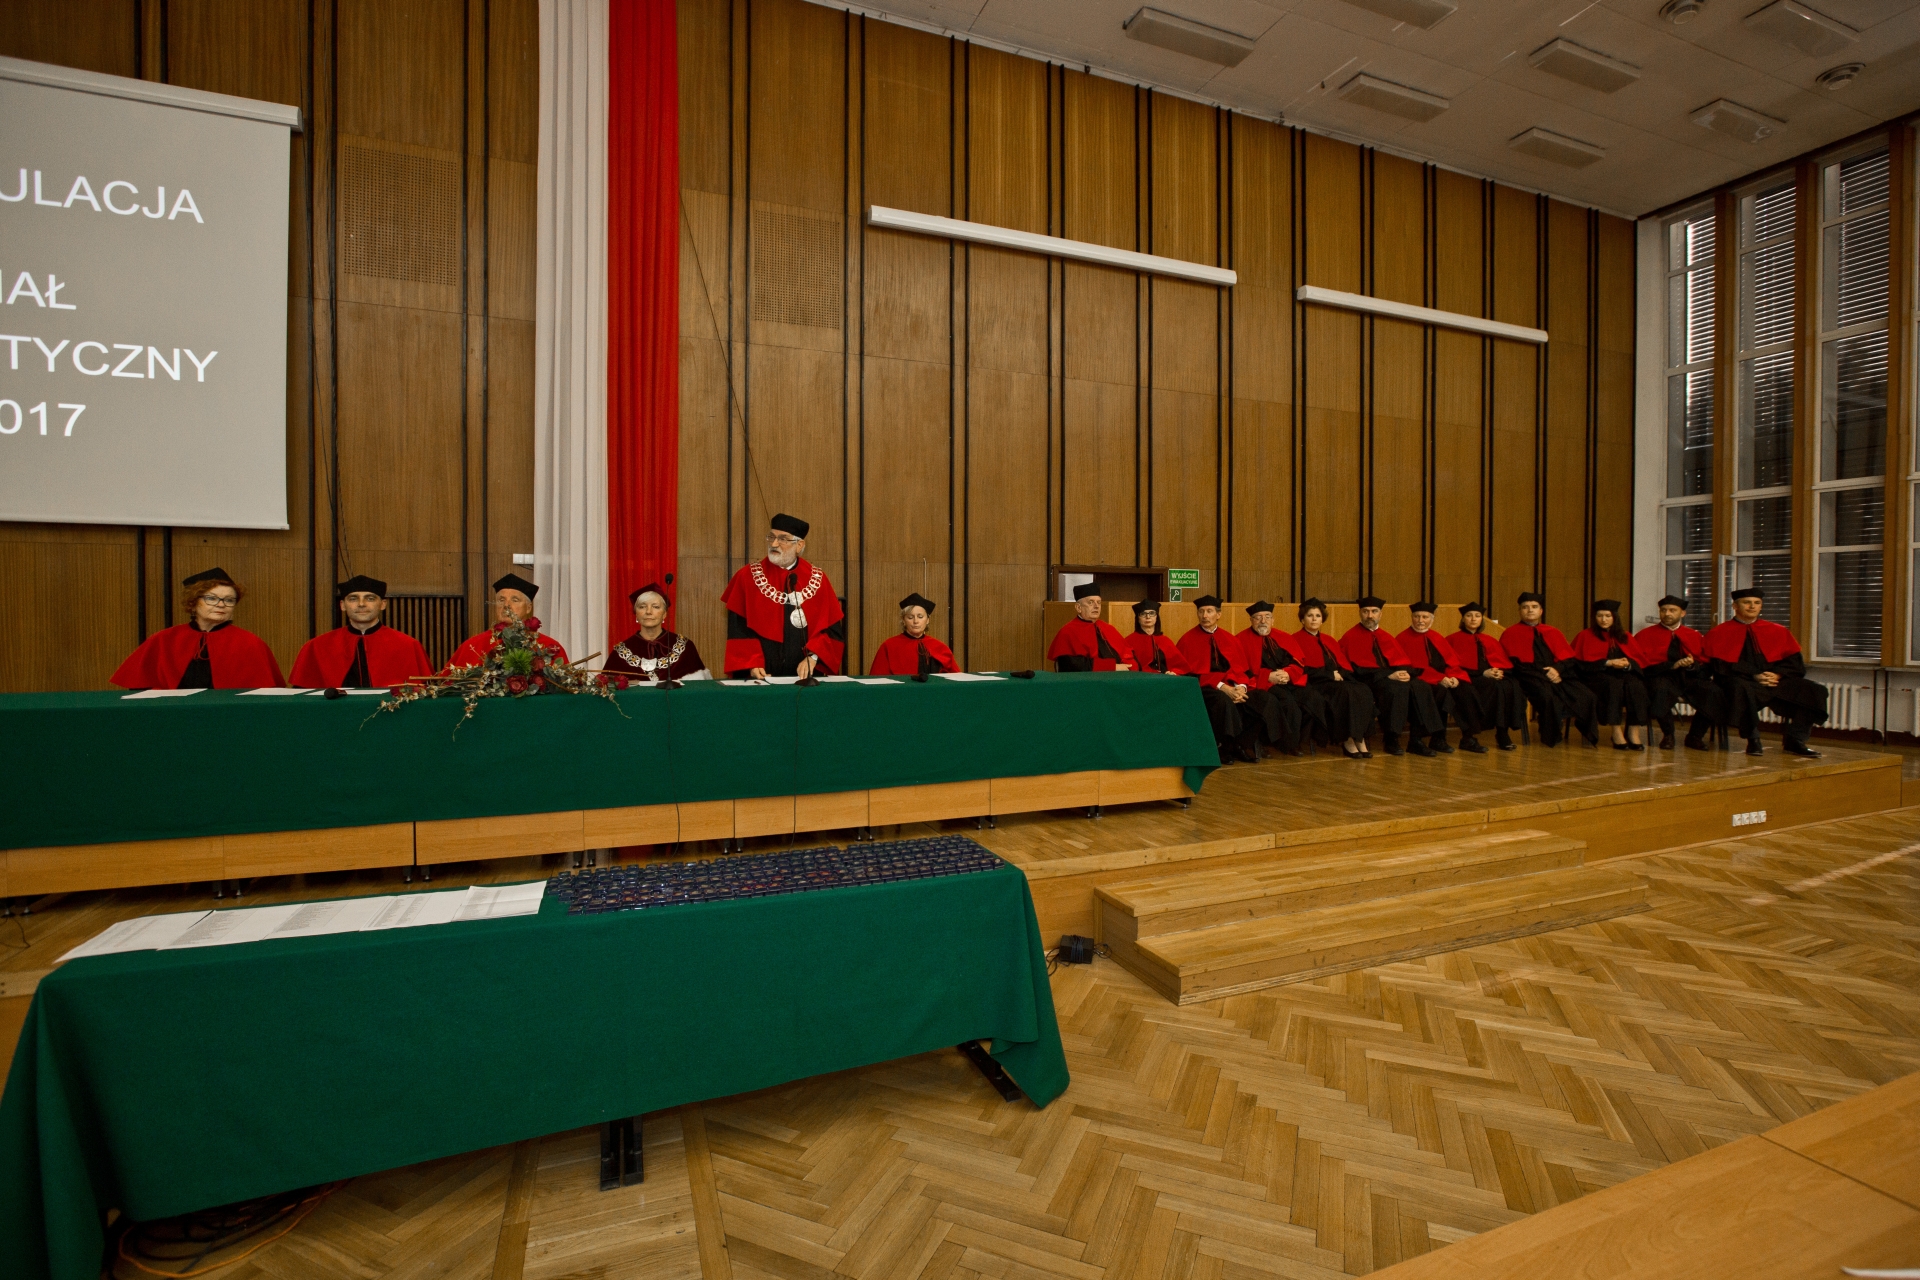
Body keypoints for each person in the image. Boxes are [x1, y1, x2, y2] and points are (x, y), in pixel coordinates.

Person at [111, 568, 286, 690]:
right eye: (212, 598)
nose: (221, 605)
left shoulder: (250, 642)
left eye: (229, 600)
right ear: (193, 602)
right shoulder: (164, 639)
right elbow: (139, 687)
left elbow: (266, 694)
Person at [1705, 587, 1827, 757]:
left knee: (1814, 690)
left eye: (1757, 603)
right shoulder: (1719, 632)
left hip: (1775, 681)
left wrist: (1777, 674)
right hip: (1741, 680)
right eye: (1747, 602)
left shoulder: (1778, 631)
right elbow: (1720, 666)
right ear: (1735, 606)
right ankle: (1753, 739)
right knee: (1741, 689)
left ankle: (1795, 740)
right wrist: (1754, 675)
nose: (1752, 606)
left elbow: (1795, 663)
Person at [721, 514, 846, 679]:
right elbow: (737, 630)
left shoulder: (818, 580)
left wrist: (814, 657)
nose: (774, 544)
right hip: (760, 676)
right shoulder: (746, 577)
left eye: (783, 539)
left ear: (799, 545)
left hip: (804, 678)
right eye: (771, 537)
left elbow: (832, 631)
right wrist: (751, 663)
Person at [1175, 595, 1278, 763]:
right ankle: (1224, 748)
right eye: (1201, 611)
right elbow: (1187, 674)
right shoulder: (1187, 640)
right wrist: (1223, 687)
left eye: (1209, 611)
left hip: (1233, 685)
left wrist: (1241, 687)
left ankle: (1241, 744)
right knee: (1223, 701)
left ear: (1219, 614)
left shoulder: (1230, 639)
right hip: (1204, 687)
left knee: (1265, 699)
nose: (1205, 615)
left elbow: (1243, 669)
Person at [1340, 596, 1445, 757]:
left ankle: (1416, 740)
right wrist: (1389, 675)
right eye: (1366, 611)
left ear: (1380, 614)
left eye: (1374, 612)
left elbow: (1402, 660)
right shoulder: (1350, 636)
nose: (1370, 615)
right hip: (1369, 680)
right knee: (1396, 689)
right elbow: (1356, 669)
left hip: (1392, 677)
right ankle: (1391, 739)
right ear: (1360, 613)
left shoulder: (1386, 636)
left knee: (1421, 686)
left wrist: (1404, 672)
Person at [289, 575, 433, 689]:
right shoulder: (316, 647)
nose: (361, 604)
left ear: (383, 604)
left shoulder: (408, 645)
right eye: (353, 599)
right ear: (342, 605)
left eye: (370, 598)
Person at [1500, 592, 1598, 747]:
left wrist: (1557, 670)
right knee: (1548, 698)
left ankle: (1588, 733)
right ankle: (1552, 735)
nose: (1530, 610)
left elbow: (1568, 658)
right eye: (1525, 607)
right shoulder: (1510, 633)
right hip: (1529, 677)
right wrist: (1545, 675)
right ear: (1519, 611)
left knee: (1587, 696)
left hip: (1559, 674)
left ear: (1541, 611)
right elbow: (1513, 665)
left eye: (1534, 607)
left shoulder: (1553, 631)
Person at [1633, 595, 1724, 751]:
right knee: (1660, 690)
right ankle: (1668, 735)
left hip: (1689, 677)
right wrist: (1672, 665)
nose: (1667, 613)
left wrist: (1692, 666)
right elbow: (1642, 666)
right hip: (1662, 676)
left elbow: (1705, 664)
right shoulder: (1644, 635)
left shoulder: (1694, 635)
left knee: (1713, 692)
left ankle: (1695, 736)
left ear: (1683, 613)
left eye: (1672, 610)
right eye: (1663, 610)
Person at [1285, 598, 1373, 759]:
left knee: (1363, 690)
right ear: (1302, 619)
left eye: (1317, 616)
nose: (1314, 619)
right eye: (1310, 616)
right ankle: (1347, 740)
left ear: (1322, 619)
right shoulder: (1295, 639)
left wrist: (1341, 674)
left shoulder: (1329, 640)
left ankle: (1359, 737)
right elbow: (1300, 668)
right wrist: (1329, 675)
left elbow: (1342, 663)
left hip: (1336, 681)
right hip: (1315, 683)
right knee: (1345, 692)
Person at [1398, 602, 1487, 753]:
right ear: (1412, 617)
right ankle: (1423, 739)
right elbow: (1410, 668)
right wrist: (1438, 678)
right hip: (1420, 680)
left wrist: (1454, 677)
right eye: (1417, 616)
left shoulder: (1437, 637)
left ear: (1431, 619)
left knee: (1466, 690)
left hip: (1444, 678)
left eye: (1425, 617)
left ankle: (1468, 738)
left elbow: (1451, 662)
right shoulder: (1403, 638)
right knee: (1440, 692)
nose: (1420, 620)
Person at [446, 573, 569, 670]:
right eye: (501, 600)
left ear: (528, 608)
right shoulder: (473, 646)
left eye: (515, 600)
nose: (506, 605)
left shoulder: (550, 647)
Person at [1570, 599, 1649, 750]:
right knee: (1613, 685)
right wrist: (1608, 663)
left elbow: (1639, 661)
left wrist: (1627, 665)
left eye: (1608, 616)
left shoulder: (1625, 636)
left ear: (1614, 617)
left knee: (1636, 686)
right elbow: (1580, 665)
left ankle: (1633, 731)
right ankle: (1616, 731)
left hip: (1623, 674)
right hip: (1596, 677)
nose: (1603, 620)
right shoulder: (1585, 635)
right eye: (1599, 616)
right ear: (1595, 617)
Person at [1236, 600, 1309, 756]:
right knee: (1286, 702)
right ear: (1251, 620)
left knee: (1311, 698)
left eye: (1267, 617)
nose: (1263, 621)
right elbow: (1241, 670)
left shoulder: (1284, 637)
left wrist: (1288, 673)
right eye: (1258, 617)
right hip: (1260, 684)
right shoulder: (1240, 640)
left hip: (1287, 680)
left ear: (1273, 620)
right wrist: (1267, 677)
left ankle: (1297, 741)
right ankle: (1286, 743)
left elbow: (1298, 662)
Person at [1448, 603, 1523, 751]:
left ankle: (1502, 732)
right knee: (1491, 686)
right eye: (1469, 616)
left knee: (1509, 685)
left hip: (1489, 677)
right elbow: (1452, 667)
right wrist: (1482, 673)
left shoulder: (1489, 639)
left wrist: (1498, 671)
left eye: (1477, 616)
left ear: (1482, 619)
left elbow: (1501, 662)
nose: (1473, 619)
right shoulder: (1452, 639)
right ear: (1463, 619)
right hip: (1467, 678)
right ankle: (1469, 736)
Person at [604, 582, 710, 683]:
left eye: (656, 607)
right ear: (636, 614)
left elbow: (699, 690)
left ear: (664, 614)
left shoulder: (685, 647)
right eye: (642, 607)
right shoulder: (620, 653)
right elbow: (606, 689)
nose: (648, 612)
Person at [1047, 583, 1133, 672]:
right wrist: (1112, 667)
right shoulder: (1068, 631)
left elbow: (1128, 655)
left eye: (1099, 602)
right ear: (1078, 607)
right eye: (1090, 602)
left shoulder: (1109, 628)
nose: (1096, 606)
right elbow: (1071, 665)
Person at [869, 593, 959, 676]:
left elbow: (957, 678)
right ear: (903, 620)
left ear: (927, 620)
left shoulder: (940, 647)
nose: (915, 621)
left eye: (920, 617)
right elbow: (877, 680)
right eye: (910, 617)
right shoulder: (889, 646)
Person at [1123, 601, 1189, 675]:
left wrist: (1173, 672)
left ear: (1156, 617)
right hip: (1141, 678)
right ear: (1138, 618)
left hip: (1165, 678)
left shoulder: (1165, 640)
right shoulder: (1129, 641)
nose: (1148, 617)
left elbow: (1179, 666)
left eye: (1152, 613)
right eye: (1143, 614)